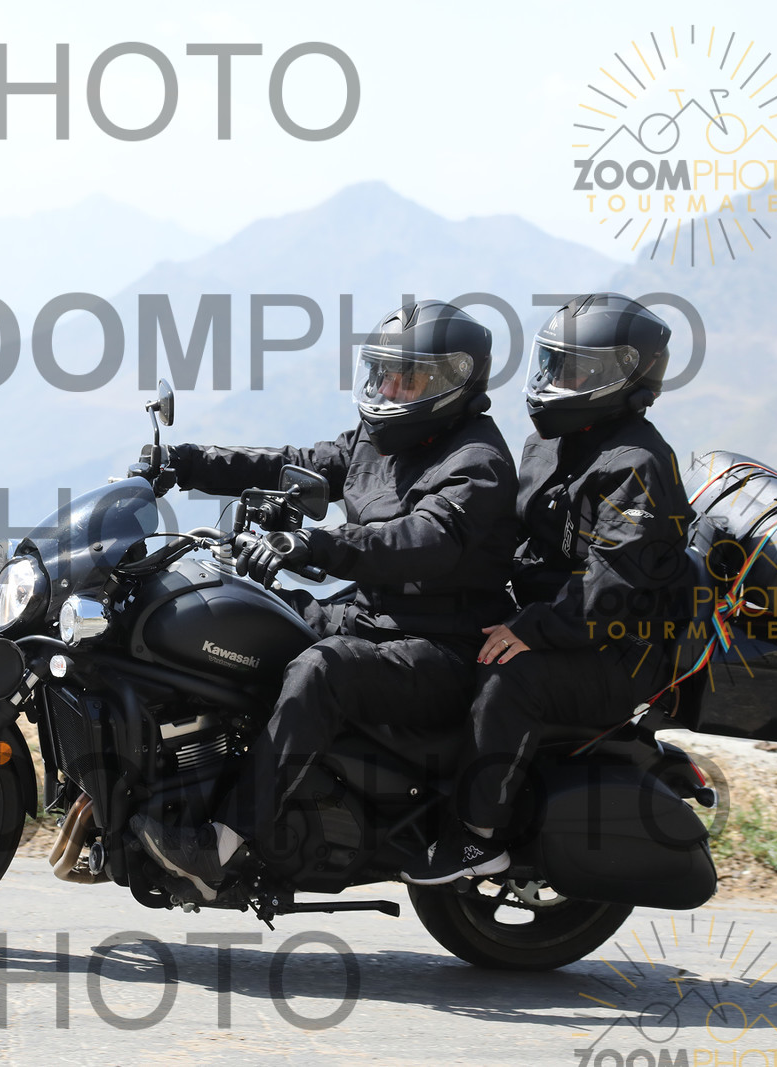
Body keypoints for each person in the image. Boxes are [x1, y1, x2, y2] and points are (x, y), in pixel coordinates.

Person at [131, 300, 522, 901]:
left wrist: (315, 544)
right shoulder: (379, 439)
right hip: (369, 617)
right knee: (244, 614)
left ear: (450, 382)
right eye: (381, 374)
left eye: (405, 379)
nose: (386, 389)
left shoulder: (478, 463)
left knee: (323, 670)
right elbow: (296, 465)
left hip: (440, 647)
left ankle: (222, 845)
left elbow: (422, 540)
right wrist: (187, 463)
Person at [402, 293, 695, 885]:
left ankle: (476, 837)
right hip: (556, 619)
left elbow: (613, 587)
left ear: (624, 378)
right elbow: (516, 539)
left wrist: (530, 630)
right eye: (554, 364)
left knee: (510, 677)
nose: (557, 380)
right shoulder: (550, 444)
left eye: (578, 370)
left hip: (617, 649)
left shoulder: (635, 465)